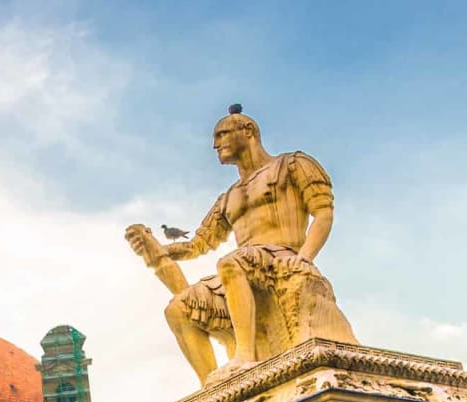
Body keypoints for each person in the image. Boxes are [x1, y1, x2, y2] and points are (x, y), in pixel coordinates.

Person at [126, 105, 357, 385]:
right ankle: (210, 387)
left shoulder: (292, 165)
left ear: (248, 131)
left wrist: (305, 257)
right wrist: (154, 248)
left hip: (281, 257)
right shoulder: (228, 198)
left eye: (222, 134)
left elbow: (323, 212)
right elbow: (198, 244)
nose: (215, 144)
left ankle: (246, 357)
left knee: (231, 262)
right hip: (241, 271)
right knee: (178, 308)